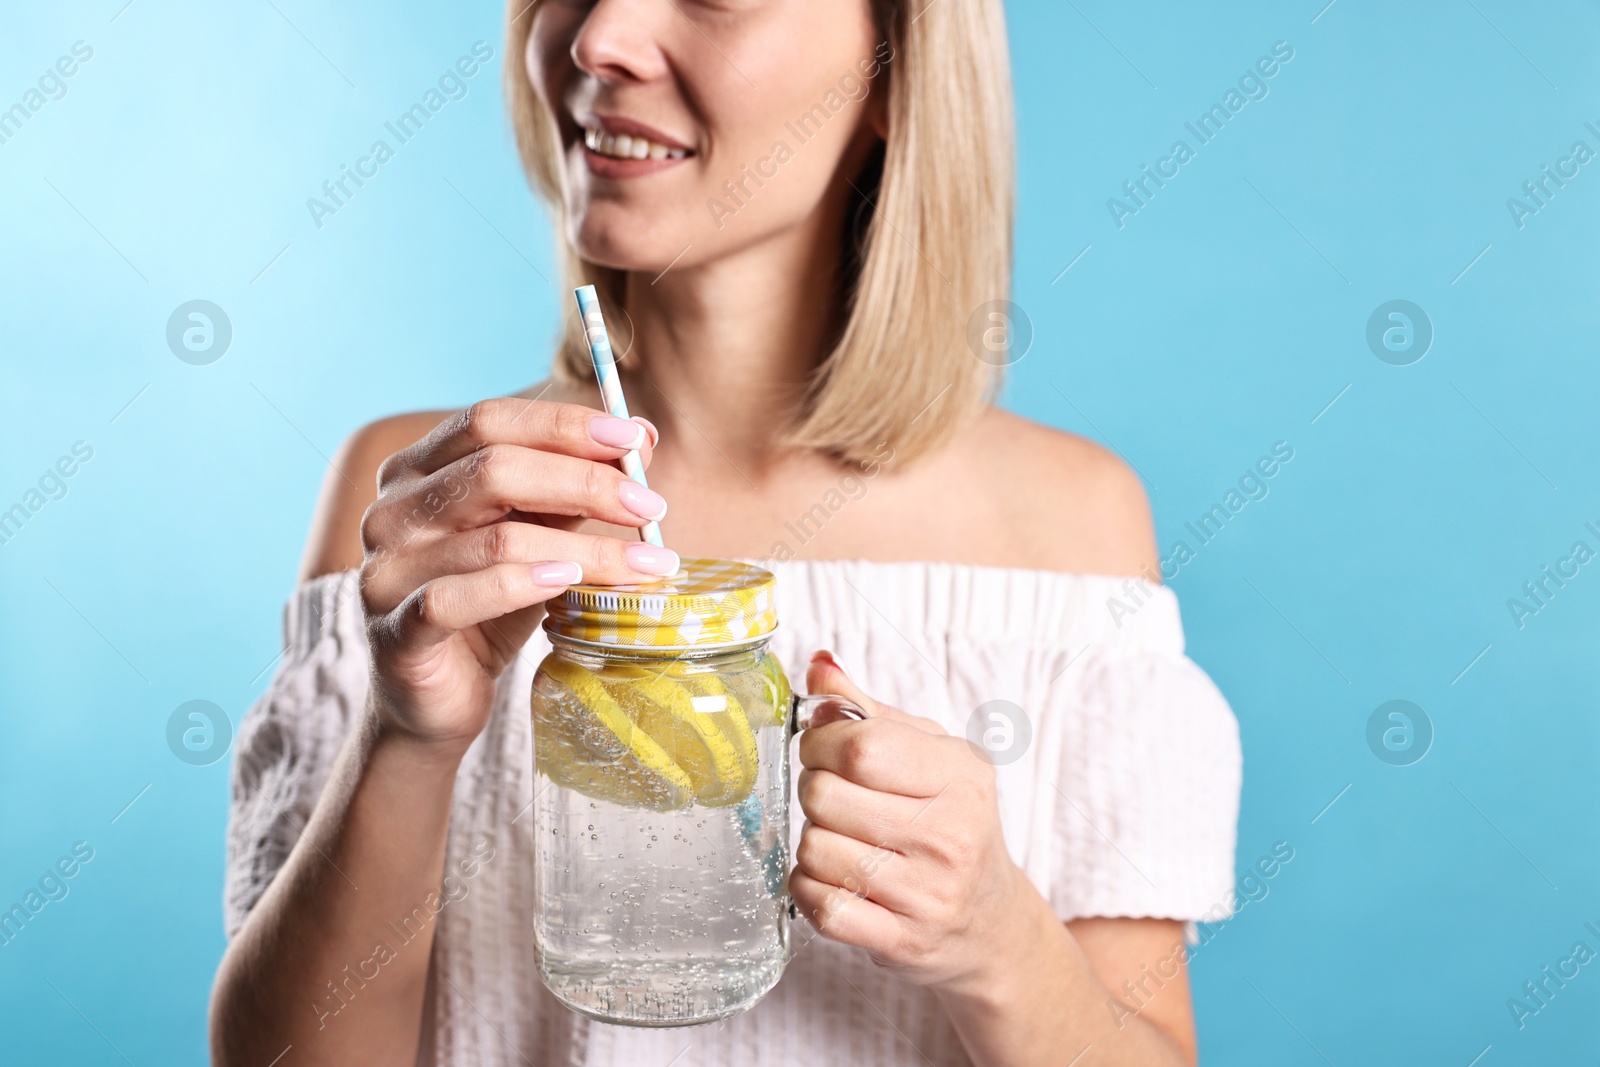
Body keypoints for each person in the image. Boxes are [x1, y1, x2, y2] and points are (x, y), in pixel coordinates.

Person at [210, 0, 1241, 1063]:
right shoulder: (425, 515)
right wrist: (406, 739)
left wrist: (996, 936)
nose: (598, 37)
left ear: (894, 67)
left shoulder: (1068, 523)